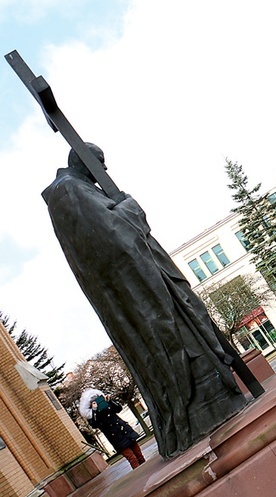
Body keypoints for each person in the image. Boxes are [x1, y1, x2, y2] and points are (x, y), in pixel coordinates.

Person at [43, 144, 263, 458]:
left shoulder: (76, 189)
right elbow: (111, 237)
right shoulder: (67, 191)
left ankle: (216, 399)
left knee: (192, 323)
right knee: (177, 340)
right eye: (101, 164)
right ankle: (202, 411)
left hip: (144, 280)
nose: (104, 171)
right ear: (86, 161)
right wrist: (129, 206)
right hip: (139, 292)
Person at [79, 389, 145, 469]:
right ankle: (141, 477)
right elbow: (94, 424)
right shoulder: (93, 415)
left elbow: (118, 409)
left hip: (124, 431)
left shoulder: (107, 405)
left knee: (139, 455)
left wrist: (109, 401)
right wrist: (94, 410)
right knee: (132, 458)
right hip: (116, 438)